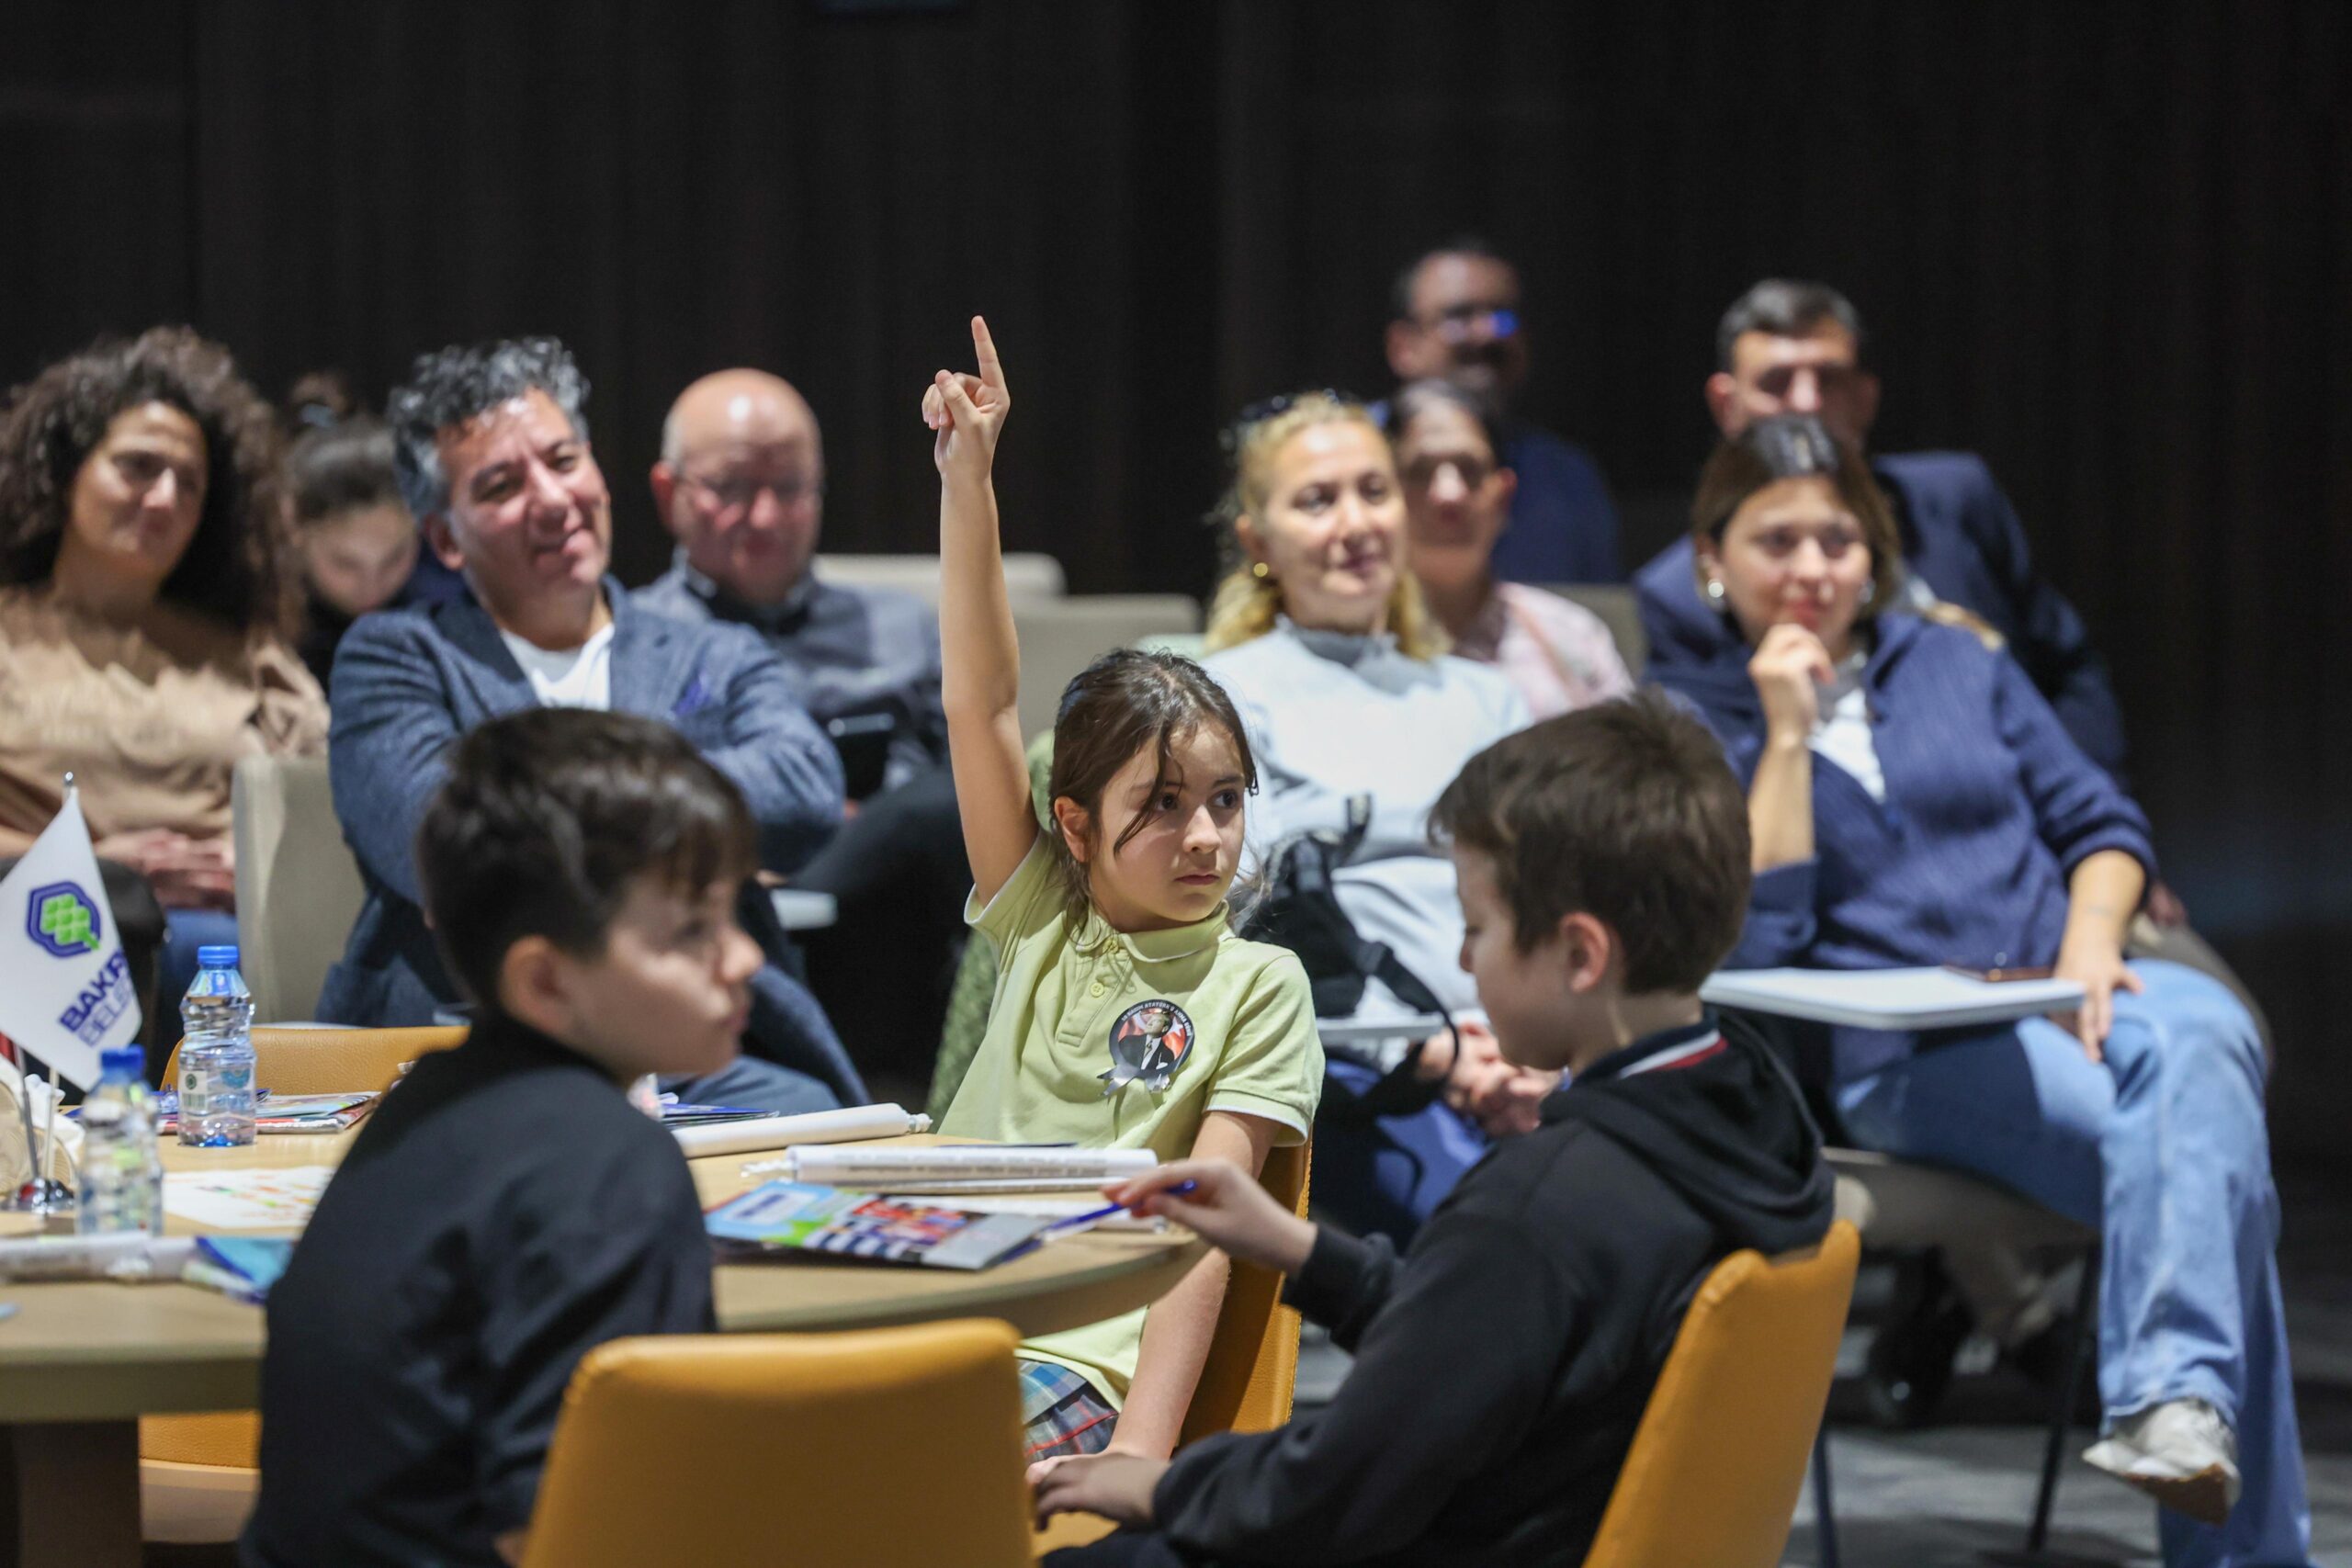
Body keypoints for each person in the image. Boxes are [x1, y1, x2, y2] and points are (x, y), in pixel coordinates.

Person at [1653, 415, 2308, 1566]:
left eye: (1838, 540)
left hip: (2076, 992)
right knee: (2217, 1175)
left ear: (1875, 551)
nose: (1812, 569)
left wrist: (2089, 944)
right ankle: (2194, 1445)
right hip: (1906, 1056)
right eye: (1776, 541)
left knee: (2205, 1026)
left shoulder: (1957, 660)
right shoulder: (1688, 715)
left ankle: (2176, 1407)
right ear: (1713, 557)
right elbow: (1756, 940)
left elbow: (2101, 824)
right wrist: (1788, 739)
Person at [1032, 696, 1836, 1566]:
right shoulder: (1760, 1124)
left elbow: (1331, 1491)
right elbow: (1483, 1343)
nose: (1461, 959)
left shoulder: (1539, 1210)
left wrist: (1161, 1486)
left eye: (1477, 927)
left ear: (1580, 954)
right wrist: (1306, 1253)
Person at [922, 318, 1322, 1466]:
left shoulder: (1259, 984)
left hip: (1066, 1365)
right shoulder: (1042, 913)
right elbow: (982, 705)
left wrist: (1137, 1464)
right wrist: (968, 480)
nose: (1205, 837)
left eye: (1226, 800)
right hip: (922, 1313)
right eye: (1161, 805)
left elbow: (1207, 1230)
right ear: (1075, 827)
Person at [243, 708, 746, 1568]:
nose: (742, 960)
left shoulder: (425, 1104)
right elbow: (565, 1528)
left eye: (732, 919)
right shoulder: (606, 1164)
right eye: (691, 933)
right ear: (545, 980)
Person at [320, 335, 856, 1111]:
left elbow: (804, 795)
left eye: (563, 460)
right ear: (445, 538)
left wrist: (548, 806)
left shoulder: (713, 651)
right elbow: (438, 840)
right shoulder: (397, 656)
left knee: (811, 1118)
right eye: (502, 484)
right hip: (476, 1040)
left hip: (701, 1050)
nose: (551, 498)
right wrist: (671, 809)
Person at [1198, 389, 1545, 1244]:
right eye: (1318, 501)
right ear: (1258, 541)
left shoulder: (1487, 698)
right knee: (1505, 1241)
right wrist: (1429, 1053)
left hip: (1520, 1052)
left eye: (1374, 491)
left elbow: (1550, 891)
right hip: (1346, 1063)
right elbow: (1247, 926)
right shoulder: (1223, 695)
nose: (1355, 523)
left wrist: (1540, 1047)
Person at [1635, 277, 2131, 784]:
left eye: (1829, 379)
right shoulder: (1672, 596)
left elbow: (2067, 669)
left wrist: (2090, 810)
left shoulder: (1958, 501)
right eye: (1776, 381)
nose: (1806, 403)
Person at [639, 369, 966, 1082]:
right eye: (731, 487)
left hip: (896, 939)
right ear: (669, 493)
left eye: (789, 488)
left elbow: (964, 804)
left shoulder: (900, 627)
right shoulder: (634, 641)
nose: (764, 516)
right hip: (728, 914)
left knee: (955, 801)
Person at [0, 326, 325, 1035]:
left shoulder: (248, 653)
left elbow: (327, 808)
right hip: (52, 926)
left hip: (236, 943)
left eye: (190, 484)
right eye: (138, 467)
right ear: (66, 471)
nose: (164, 499)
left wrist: (260, 865)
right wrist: (88, 867)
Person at [1387, 378, 1634, 716]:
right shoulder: (1350, 646)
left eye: (1470, 470)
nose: (1449, 494)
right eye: (1421, 471)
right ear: (1385, 495)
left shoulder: (1575, 639)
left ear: (1504, 496)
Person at [1385, 238, 1621, 583]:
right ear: (1403, 346)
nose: (1489, 333)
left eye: (1503, 316)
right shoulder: (1346, 453)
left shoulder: (1567, 478)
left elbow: (1604, 605)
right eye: (1460, 316)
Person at [279, 374, 424, 687]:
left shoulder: (449, 606)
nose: (373, 586)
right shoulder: (261, 634)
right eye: (345, 564)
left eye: (394, 558)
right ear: (294, 531)